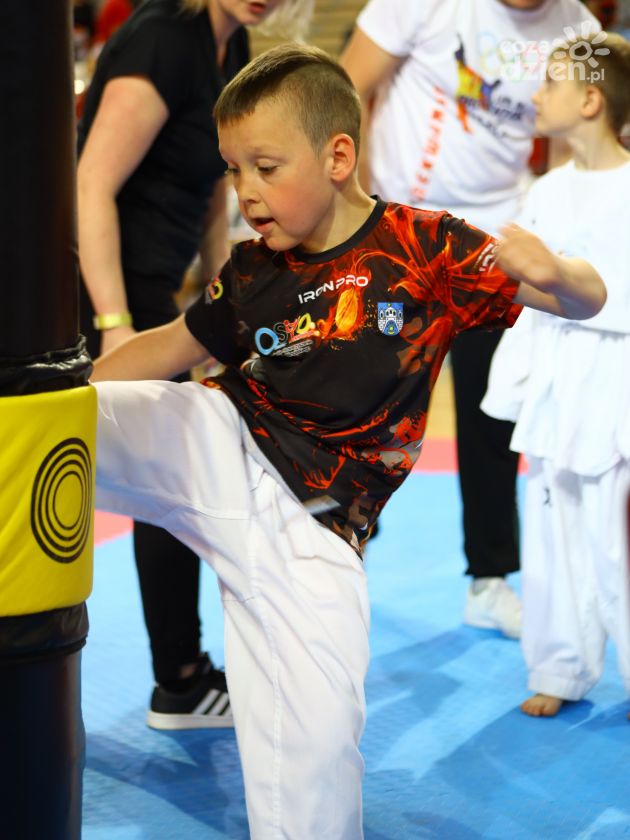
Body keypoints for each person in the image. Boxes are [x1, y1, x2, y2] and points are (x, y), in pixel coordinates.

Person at [89, 44, 605, 836]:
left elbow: (586, 301)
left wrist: (560, 274)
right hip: (223, 442)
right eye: (234, 170)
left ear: (337, 157)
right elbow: (169, 348)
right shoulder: (252, 269)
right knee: (68, 422)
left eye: (265, 167)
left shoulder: (426, 246)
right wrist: (62, 387)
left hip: (320, 525)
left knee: (317, 756)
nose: (245, 191)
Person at [77, 0, 312, 730]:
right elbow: (89, 185)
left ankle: (180, 676)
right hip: (99, 292)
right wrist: (114, 323)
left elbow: (218, 190)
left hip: (150, 291)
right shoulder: (162, 41)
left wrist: (223, 307)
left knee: (174, 474)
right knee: (163, 475)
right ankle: (178, 680)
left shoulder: (230, 45)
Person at [339, 0, 600, 640]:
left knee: (491, 414)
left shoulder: (579, 30)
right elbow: (343, 90)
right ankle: (339, 558)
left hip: (496, 240)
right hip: (401, 231)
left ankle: (490, 578)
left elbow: (587, 142)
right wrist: (356, 211)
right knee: (365, 410)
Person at [482, 32, 630, 716]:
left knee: (615, 546)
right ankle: (560, 667)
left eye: (552, 83)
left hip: (614, 384)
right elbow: (523, 295)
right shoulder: (546, 189)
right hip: (556, 384)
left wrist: (552, 275)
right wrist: (513, 386)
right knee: (552, 535)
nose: (536, 95)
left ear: (591, 100)